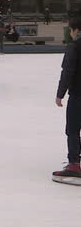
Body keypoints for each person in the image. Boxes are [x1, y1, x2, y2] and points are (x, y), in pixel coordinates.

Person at [53, 17, 81, 184]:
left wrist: (60, 94)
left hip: (78, 95)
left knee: (72, 129)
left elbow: (68, 71)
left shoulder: (75, 47)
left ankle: (74, 165)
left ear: (76, 30)